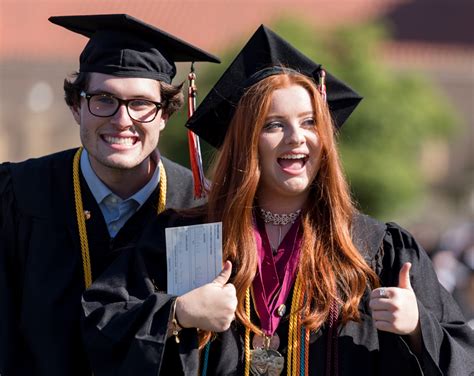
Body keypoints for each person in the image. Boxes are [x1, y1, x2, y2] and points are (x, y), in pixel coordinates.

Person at [81, 25, 474, 375]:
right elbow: (99, 323)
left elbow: (465, 355)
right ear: (246, 143)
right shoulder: (190, 236)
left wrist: (420, 327)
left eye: (309, 122)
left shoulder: (373, 248)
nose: (296, 137)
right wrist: (176, 315)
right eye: (273, 125)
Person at [0, 13, 220, 376]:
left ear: (164, 115)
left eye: (141, 104)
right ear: (75, 106)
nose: (122, 120)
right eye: (103, 99)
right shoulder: (19, 197)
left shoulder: (199, 210)